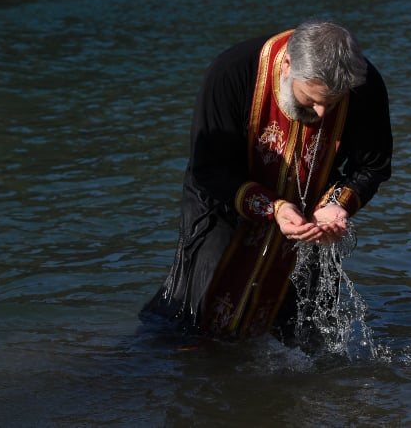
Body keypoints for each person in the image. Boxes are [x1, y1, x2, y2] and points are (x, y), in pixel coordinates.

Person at [140, 19, 392, 344]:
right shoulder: (232, 71)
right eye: (312, 99)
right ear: (287, 64)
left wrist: (336, 206)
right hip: (225, 205)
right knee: (193, 326)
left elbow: (373, 165)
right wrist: (272, 207)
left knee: (305, 334)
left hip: (311, 221)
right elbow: (209, 169)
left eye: (332, 103)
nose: (322, 112)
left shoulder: (363, 84)